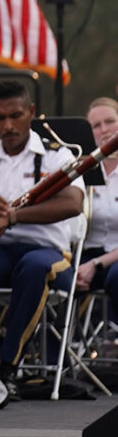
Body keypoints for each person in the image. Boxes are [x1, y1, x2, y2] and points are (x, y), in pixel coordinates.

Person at [0, 80, 84, 399]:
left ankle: (7, 369)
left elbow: (72, 204)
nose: (7, 125)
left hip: (48, 252)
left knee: (34, 267)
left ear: (30, 113)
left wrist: (12, 216)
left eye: (15, 116)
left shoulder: (58, 156)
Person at [75, 98, 118, 300]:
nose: (104, 130)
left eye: (110, 121)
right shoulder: (80, 172)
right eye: (96, 126)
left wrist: (96, 264)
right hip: (86, 254)